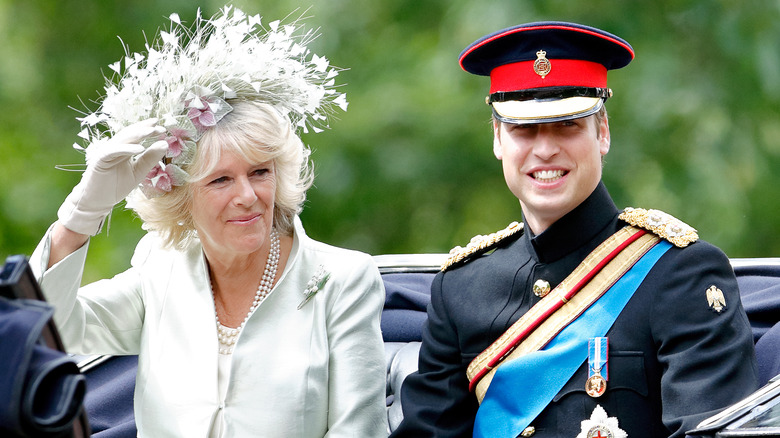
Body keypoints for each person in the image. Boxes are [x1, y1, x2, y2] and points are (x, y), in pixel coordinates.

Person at [29, 6, 387, 437]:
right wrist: (81, 215)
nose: (247, 196)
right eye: (220, 180)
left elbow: (360, 431)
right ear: (181, 197)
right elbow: (49, 335)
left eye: (260, 172)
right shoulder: (159, 270)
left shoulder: (343, 280)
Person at [391, 21, 759, 438]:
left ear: (602, 132)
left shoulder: (681, 274)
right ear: (497, 139)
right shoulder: (460, 289)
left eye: (567, 124)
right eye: (523, 128)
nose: (545, 149)